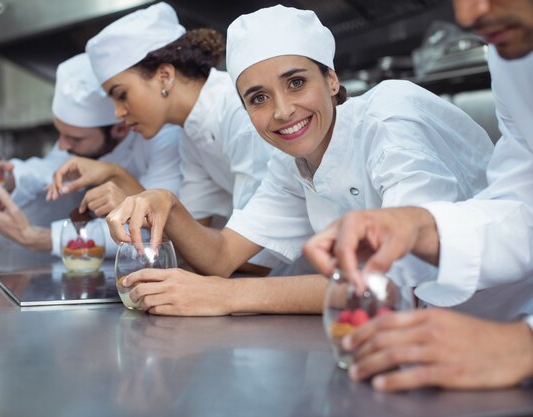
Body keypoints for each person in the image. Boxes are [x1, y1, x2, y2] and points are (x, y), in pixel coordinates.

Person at [106, 5, 494, 316]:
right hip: (424, 331)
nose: (283, 111)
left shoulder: (390, 115)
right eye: (258, 98)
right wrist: (167, 204)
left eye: (296, 82)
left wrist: (228, 296)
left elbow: (396, 277)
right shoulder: (292, 162)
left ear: (331, 80)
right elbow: (223, 255)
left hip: (503, 322)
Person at [303, 0, 533, 391]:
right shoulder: (512, 55)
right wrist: (422, 227)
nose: (467, 16)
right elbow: (526, 199)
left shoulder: (389, 112)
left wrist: (525, 345)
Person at [80, 2, 277, 274]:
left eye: (121, 94)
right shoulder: (191, 132)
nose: (118, 112)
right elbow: (191, 235)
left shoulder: (236, 110)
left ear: (164, 75)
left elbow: (261, 256)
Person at [0, 53, 183, 256]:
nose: (63, 145)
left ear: (120, 128)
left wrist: (41, 238)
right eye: (61, 134)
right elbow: (52, 167)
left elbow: (152, 231)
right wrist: (5, 176)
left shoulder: (164, 140)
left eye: (74, 138)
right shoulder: (80, 141)